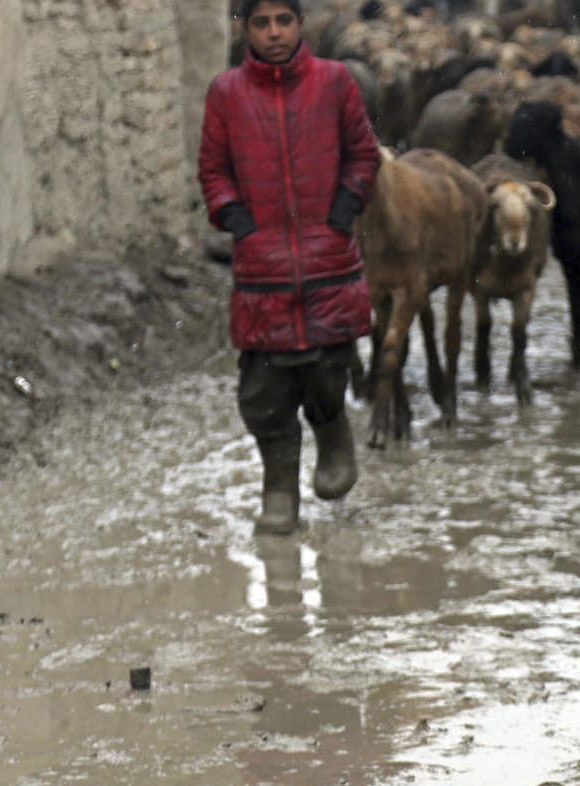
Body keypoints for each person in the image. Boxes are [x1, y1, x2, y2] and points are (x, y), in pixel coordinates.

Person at [198, 0, 381, 535]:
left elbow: (363, 154)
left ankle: (333, 434)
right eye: (261, 22)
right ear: (245, 29)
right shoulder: (227, 94)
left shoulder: (334, 83)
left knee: (326, 365)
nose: (273, 33)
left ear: (300, 24)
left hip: (327, 255)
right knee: (264, 389)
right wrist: (239, 223)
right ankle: (279, 490)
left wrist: (341, 215)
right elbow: (213, 169)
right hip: (263, 263)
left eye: (283, 20)